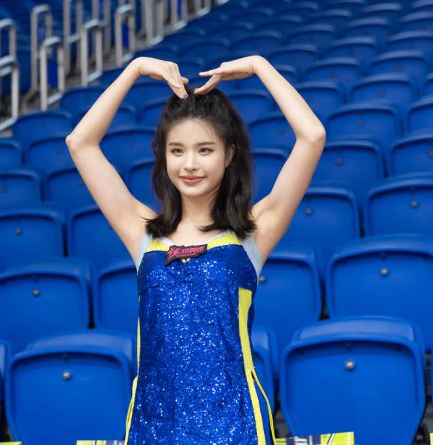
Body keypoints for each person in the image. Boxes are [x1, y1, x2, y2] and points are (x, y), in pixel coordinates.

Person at [65, 55, 326, 445]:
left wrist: (260, 66)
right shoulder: (143, 234)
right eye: (177, 151)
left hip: (236, 426)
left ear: (229, 154)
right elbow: (80, 143)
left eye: (205, 150)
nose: (189, 164)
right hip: (154, 426)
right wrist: (135, 69)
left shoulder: (252, 233)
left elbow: (312, 136)